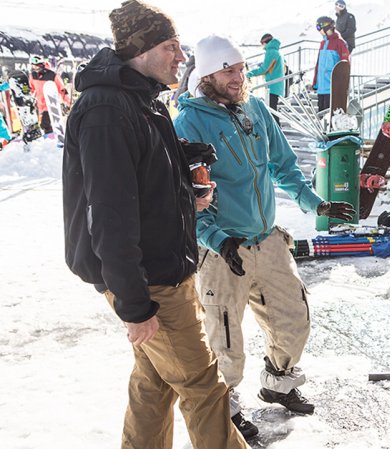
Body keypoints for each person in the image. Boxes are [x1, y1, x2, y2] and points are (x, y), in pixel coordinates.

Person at [61, 2, 250, 448]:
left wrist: (185, 171)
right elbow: (109, 212)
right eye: (171, 47)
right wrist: (134, 302)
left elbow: (143, 168)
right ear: (140, 49)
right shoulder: (107, 110)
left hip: (162, 266)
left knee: (155, 382)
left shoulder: (140, 100)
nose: (181, 58)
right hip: (150, 279)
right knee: (203, 387)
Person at [174, 34, 355, 434]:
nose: (238, 77)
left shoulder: (254, 108)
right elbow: (189, 196)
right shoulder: (188, 122)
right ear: (207, 75)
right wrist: (218, 240)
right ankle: (225, 408)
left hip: (267, 238)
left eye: (240, 68)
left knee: (294, 318)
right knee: (224, 336)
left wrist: (317, 204)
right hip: (223, 248)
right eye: (228, 70)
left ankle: (278, 384)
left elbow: (284, 166)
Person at [312, 16, 350, 112]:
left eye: (319, 28)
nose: (319, 31)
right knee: (321, 118)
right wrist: (315, 83)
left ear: (326, 27)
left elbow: (345, 65)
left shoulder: (340, 43)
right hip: (321, 88)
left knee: (330, 118)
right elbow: (318, 65)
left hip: (333, 89)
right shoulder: (322, 43)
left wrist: (342, 85)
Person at [246, 33, 284, 124]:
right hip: (276, 85)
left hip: (272, 85)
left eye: (262, 43)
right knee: (272, 109)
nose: (262, 46)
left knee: (272, 111)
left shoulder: (271, 52)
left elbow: (264, 69)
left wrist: (249, 74)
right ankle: (276, 130)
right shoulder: (276, 51)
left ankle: (277, 131)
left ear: (265, 42)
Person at [28, 55, 69, 134]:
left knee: (45, 124)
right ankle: (50, 138)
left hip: (50, 104)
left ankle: (50, 139)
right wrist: (30, 99)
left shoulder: (52, 75)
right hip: (39, 105)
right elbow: (32, 89)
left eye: (37, 66)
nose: (36, 68)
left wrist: (66, 102)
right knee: (42, 125)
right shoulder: (32, 76)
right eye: (34, 66)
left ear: (42, 64)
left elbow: (62, 89)